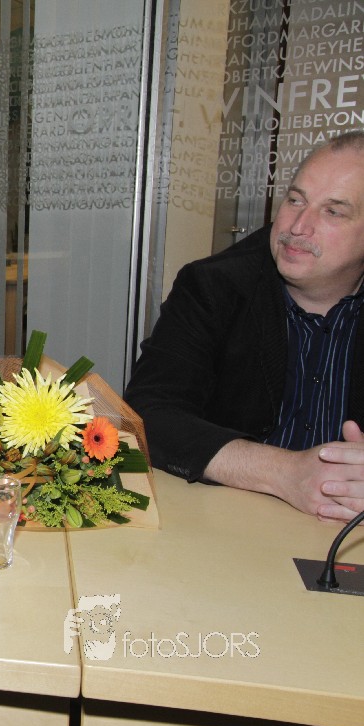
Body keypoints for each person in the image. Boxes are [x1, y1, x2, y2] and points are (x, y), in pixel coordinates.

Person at [125, 131, 364, 521]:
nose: (298, 226)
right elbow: (148, 414)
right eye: (295, 200)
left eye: (333, 211)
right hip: (229, 523)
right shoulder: (214, 286)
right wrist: (285, 472)